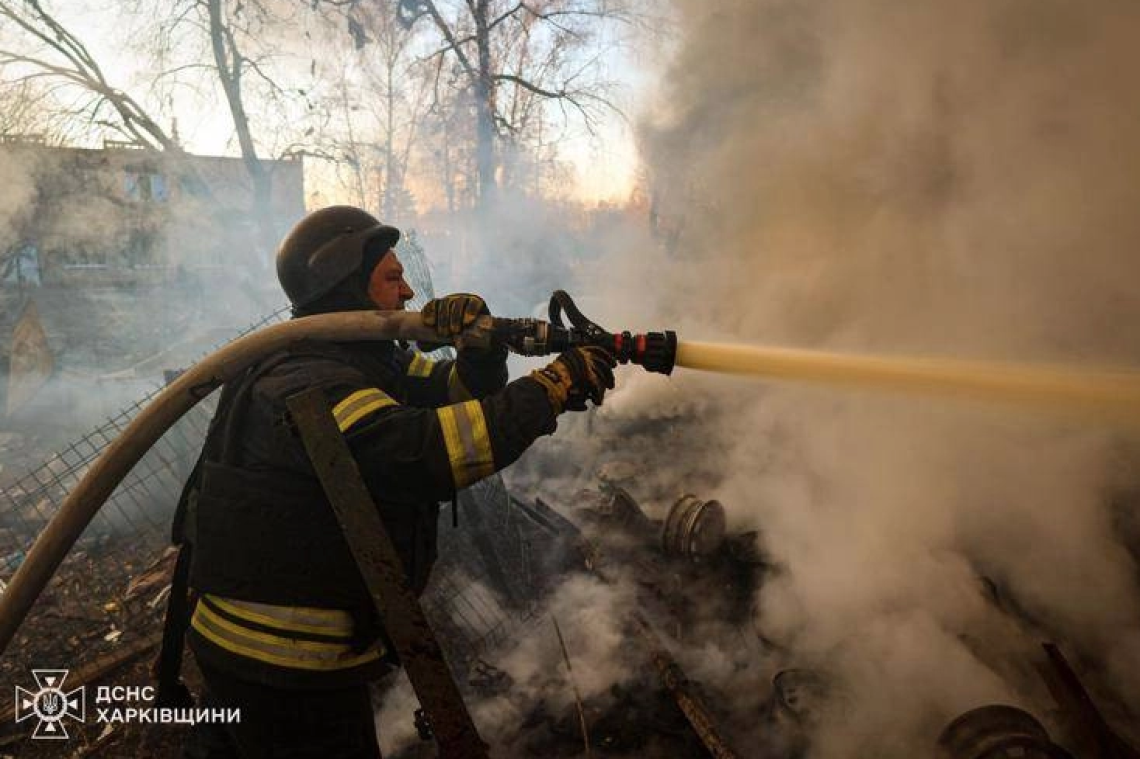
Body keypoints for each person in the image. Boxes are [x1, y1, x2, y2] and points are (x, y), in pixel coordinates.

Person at [177, 206, 615, 758]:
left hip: (276, 647)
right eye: (392, 277)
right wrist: (548, 390)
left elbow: (448, 394)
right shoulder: (309, 381)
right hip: (279, 659)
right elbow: (426, 452)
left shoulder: (355, 360)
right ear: (343, 284)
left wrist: (480, 353)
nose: (408, 292)